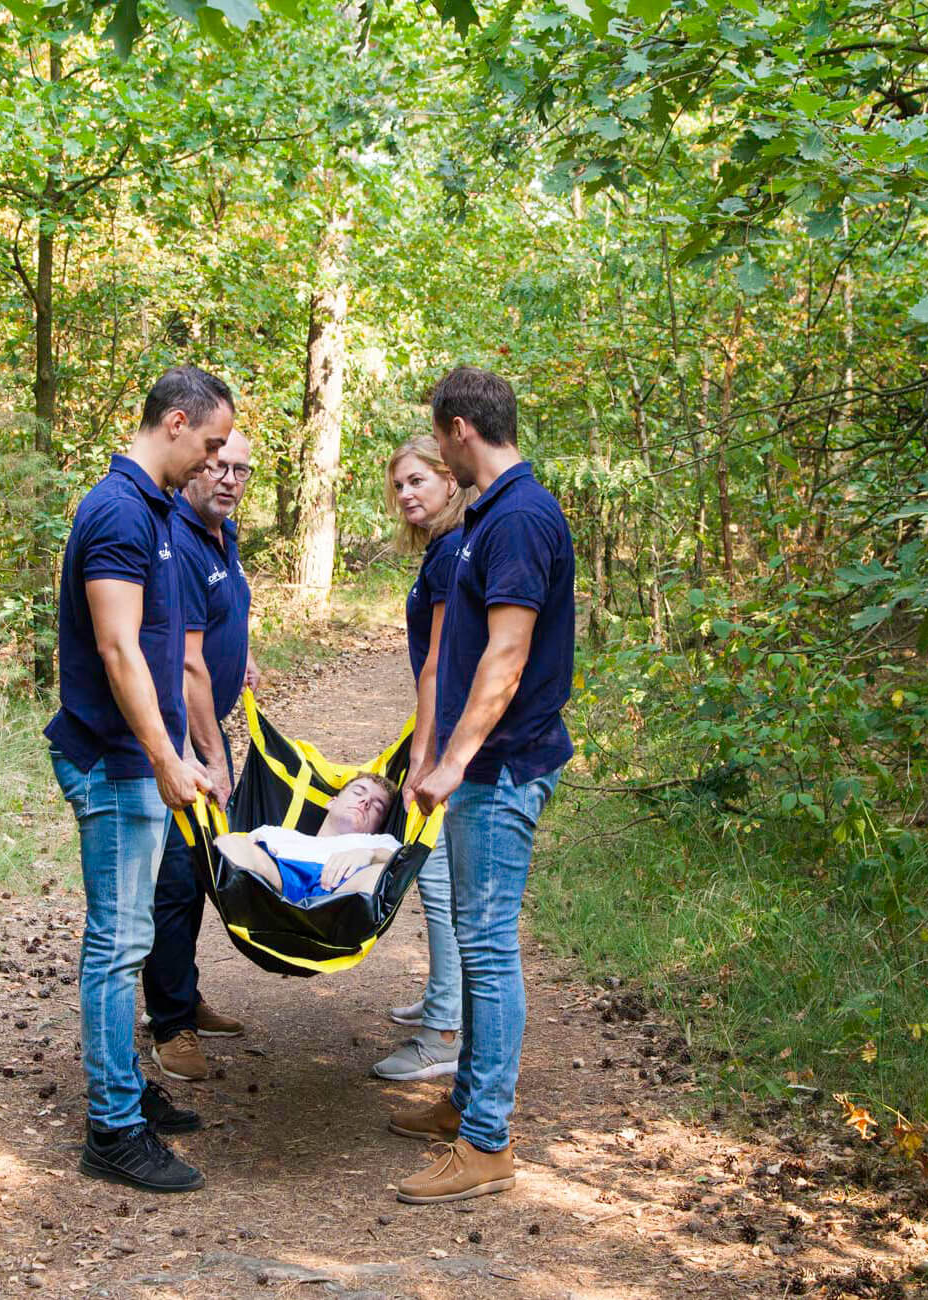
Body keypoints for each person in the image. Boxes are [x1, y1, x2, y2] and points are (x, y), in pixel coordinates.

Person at [45, 365, 234, 1194]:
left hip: (143, 759)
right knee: (117, 947)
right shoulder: (119, 511)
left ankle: (126, 1087)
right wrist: (165, 760)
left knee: (130, 939)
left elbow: (160, 653)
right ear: (177, 422)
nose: (216, 460)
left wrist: (187, 752)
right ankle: (111, 1128)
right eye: (213, 443)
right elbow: (120, 650)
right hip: (115, 762)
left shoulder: (154, 508)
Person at [391, 366, 575, 1205]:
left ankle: (488, 1141)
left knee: (491, 948)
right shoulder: (496, 516)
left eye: (438, 438)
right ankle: (466, 1100)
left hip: (501, 769)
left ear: (462, 429)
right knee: (474, 937)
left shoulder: (521, 518)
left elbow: (506, 656)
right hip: (482, 765)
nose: (437, 452)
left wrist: (456, 760)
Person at [143, 430, 259, 1084]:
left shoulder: (224, 535)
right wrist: (213, 761)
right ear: (194, 467)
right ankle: (169, 1025)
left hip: (206, 726)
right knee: (178, 880)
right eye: (218, 466)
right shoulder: (180, 541)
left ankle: (182, 995)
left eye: (241, 469)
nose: (229, 479)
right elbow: (185, 663)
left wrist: (241, 657)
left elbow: (217, 624)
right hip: (179, 736)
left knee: (204, 870)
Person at [370, 435, 471, 1083]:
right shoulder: (448, 547)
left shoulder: (452, 553)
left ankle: (443, 1036)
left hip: (454, 737)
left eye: (418, 481)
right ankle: (443, 1001)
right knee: (442, 883)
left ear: (449, 479)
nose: (407, 494)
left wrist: (426, 756)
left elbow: (440, 662)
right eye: (399, 486)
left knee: (438, 885)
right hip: (452, 730)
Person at [217, 774, 400, 903]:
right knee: (228, 842)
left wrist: (370, 855)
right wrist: (255, 848)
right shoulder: (275, 833)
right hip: (276, 881)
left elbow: (404, 862)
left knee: (379, 874)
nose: (365, 802)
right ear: (332, 801)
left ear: (379, 825)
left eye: (378, 805)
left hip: (339, 895)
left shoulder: (380, 843)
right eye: (358, 793)